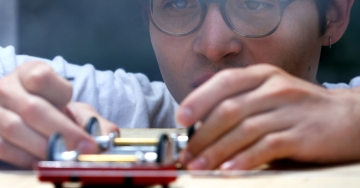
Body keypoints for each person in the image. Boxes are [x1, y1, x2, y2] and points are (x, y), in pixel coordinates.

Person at [0, 0, 358, 170]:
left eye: (255, 2)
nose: (214, 45)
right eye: (179, 3)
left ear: (335, 16)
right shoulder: (118, 113)